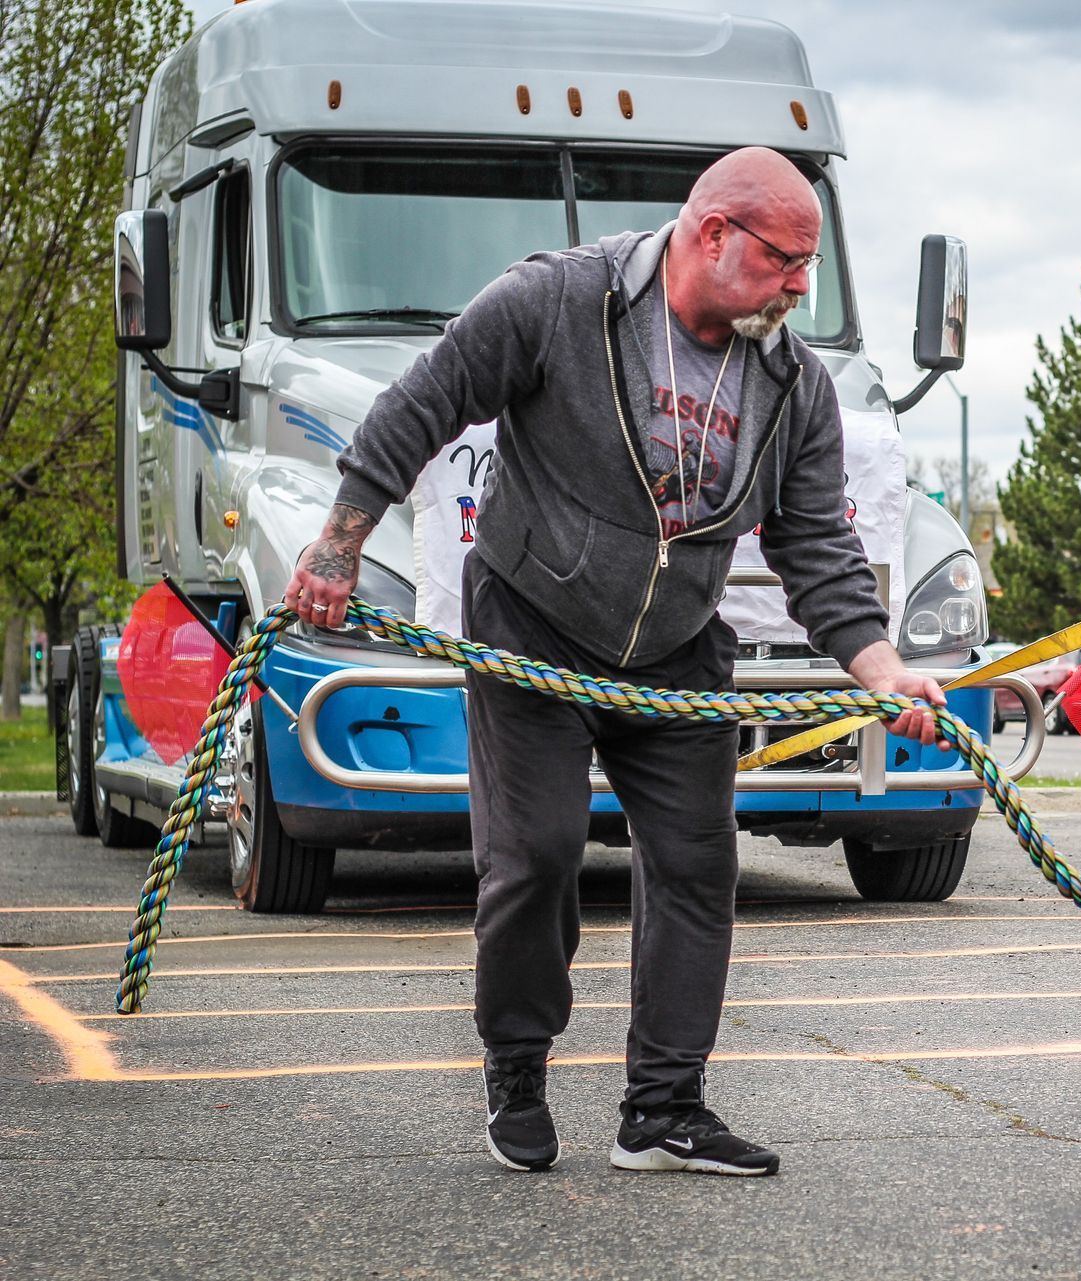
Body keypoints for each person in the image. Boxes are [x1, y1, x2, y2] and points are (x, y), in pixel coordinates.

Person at [283, 148, 947, 1174]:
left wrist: (882, 668)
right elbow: (423, 402)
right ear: (713, 233)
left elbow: (817, 549)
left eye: (808, 265)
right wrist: (338, 541)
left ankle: (664, 1111)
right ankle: (516, 1063)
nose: (800, 287)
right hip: (534, 626)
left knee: (697, 863)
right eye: (784, 260)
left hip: (677, 647)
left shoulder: (792, 385)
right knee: (536, 856)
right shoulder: (558, 301)